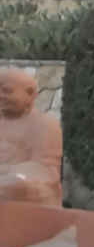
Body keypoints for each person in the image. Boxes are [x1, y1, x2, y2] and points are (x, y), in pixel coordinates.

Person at [0, 68, 62, 208]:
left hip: (22, 180)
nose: (0, 95)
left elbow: (45, 168)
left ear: (30, 93)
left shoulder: (44, 125)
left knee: (18, 182)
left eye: (7, 91)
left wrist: (7, 171)